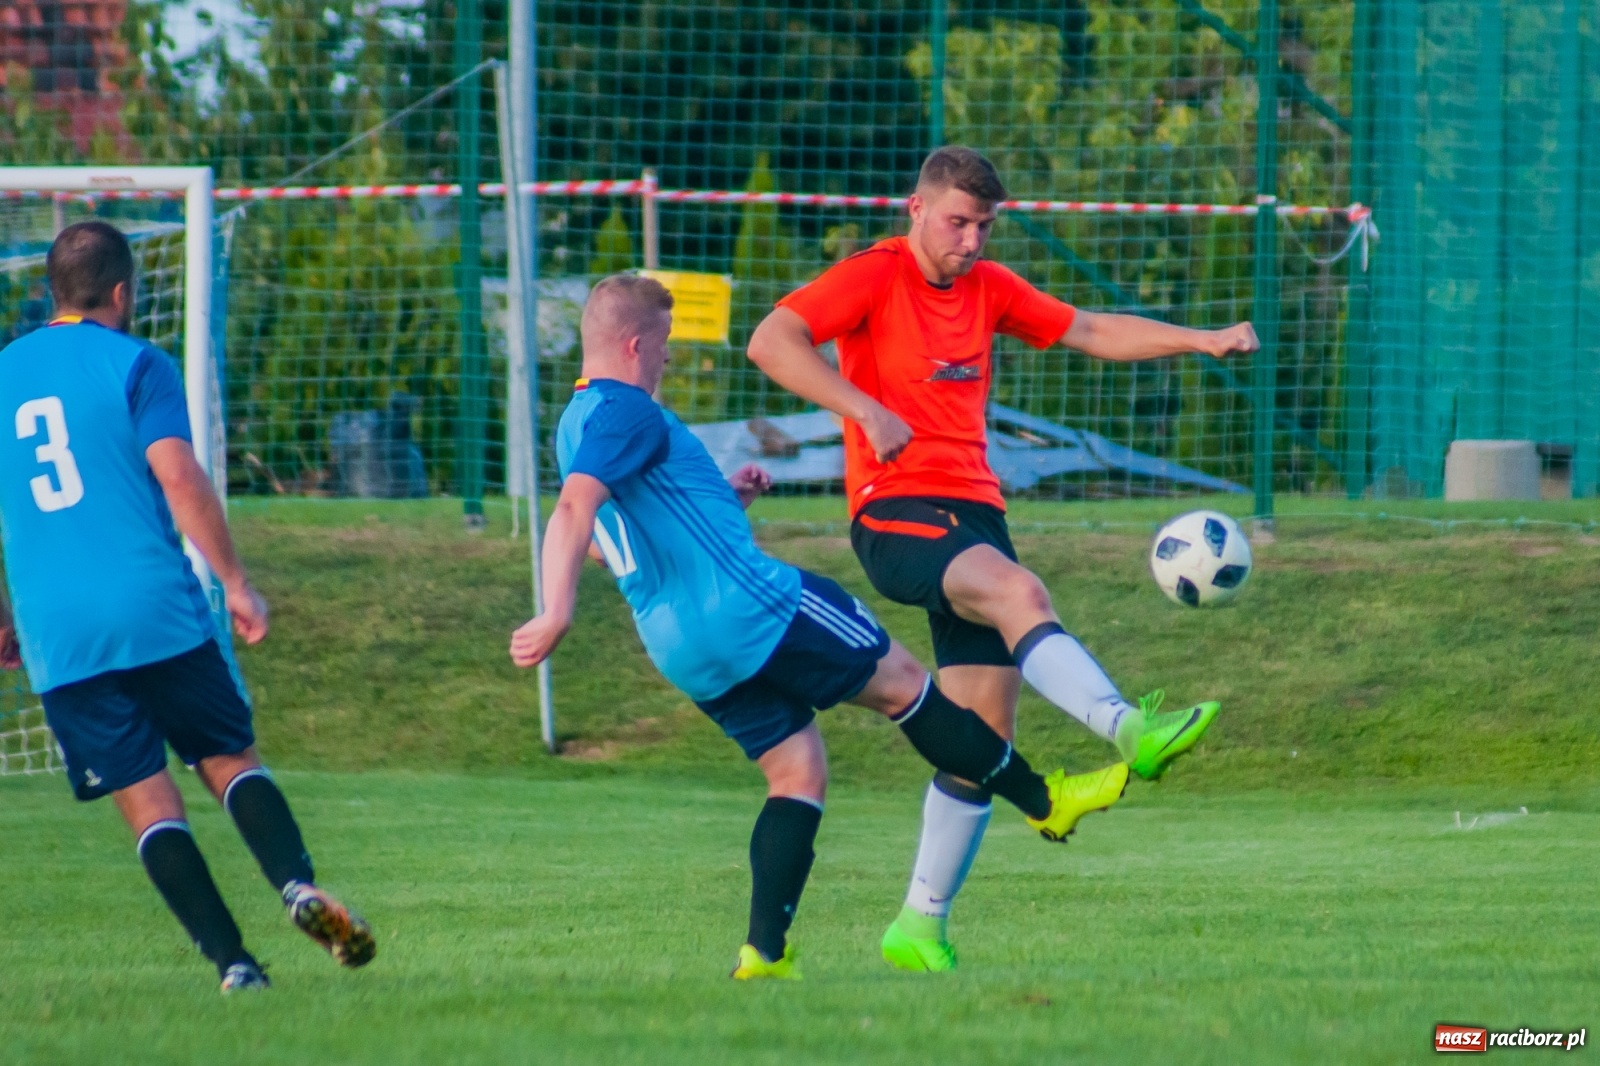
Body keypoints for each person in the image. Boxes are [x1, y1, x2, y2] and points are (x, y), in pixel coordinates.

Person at [509, 273, 1128, 981]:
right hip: (751, 606)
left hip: (678, 645)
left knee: (796, 769)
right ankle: (1047, 801)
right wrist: (555, 610)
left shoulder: (574, 424)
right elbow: (573, 514)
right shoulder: (628, 410)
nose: (669, 360)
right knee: (907, 687)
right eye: (667, 345)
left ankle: (763, 956)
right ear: (633, 343)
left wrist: (724, 498)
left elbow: (608, 536)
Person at [746, 146, 1261, 972]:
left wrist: (1198, 340)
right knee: (1022, 591)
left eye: (984, 225)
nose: (972, 240)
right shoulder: (875, 276)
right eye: (957, 221)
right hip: (897, 512)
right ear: (915, 209)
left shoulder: (987, 288)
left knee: (981, 736)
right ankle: (1131, 730)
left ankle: (918, 927)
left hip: (975, 512)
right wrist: (863, 408)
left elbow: (1089, 328)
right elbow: (772, 341)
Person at [0, 222, 375, 994]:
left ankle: (235, 966)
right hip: (153, 606)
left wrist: (3, 615)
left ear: (52, 291)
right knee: (226, 758)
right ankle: (297, 886)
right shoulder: (138, 362)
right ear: (121, 292)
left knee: (148, 802)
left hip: (58, 632)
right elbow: (178, 476)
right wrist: (235, 581)